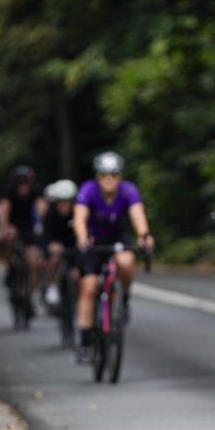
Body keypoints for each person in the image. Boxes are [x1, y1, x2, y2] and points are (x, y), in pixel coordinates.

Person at [73, 152, 155, 363]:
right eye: (103, 175)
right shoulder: (88, 190)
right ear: (97, 177)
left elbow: (138, 216)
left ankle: (124, 298)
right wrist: (82, 238)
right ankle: (84, 339)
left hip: (118, 238)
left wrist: (144, 236)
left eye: (114, 174)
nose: (109, 179)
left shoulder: (128, 191)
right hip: (93, 241)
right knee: (89, 285)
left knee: (126, 261)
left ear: (120, 176)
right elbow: (80, 217)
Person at [0, 165, 46, 310]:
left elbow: (42, 209)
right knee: (7, 242)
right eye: (20, 182)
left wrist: (43, 223)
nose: (23, 186)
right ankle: (9, 269)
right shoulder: (9, 192)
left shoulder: (36, 191)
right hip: (13, 227)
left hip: (30, 229)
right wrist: (4, 228)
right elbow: (4, 211)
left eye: (26, 182)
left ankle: (30, 292)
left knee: (34, 260)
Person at [42, 179, 79, 309]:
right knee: (53, 259)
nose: (64, 205)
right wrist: (51, 245)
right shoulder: (50, 214)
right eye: (61, 202)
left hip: (75, 248)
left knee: (77, 274)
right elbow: (46, 236)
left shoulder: (79, 213)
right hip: (56, 247)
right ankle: (52, 286)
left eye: (67, 201)